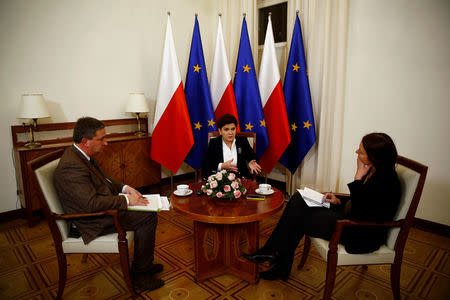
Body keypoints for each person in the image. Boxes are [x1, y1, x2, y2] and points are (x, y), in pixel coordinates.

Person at [243, 132, 401, 281]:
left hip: (360, 233)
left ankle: (276, 259)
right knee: (299, 198)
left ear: (374, 157)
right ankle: (274, 255)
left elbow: (363, 213)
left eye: (361, 152)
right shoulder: (374, 169)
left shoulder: (387, 182)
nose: (356, 153)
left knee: (298, 217)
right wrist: (338, 201)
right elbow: (364, 203)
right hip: (353, 219)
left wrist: (357, 178)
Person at [53, 117, 164, 291]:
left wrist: (126, 188)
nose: (106, 143)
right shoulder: (71, 166)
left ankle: (145, 266)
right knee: (147, 217)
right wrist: (126, 200)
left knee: (146, 212)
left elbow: (104, 179)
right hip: (90, 220)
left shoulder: (81, 155)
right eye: (101, 139)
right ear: (85, 141)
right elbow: (90, 204)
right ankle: (140, 274)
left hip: (102, 208)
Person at [202, 114, 262, 178]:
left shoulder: (242, 141)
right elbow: (206, 165)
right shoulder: (214, 143)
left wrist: (251, 161)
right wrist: (221, 166)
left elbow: (252, 156)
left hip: (240, 179)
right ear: (220, 131)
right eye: (226, 129)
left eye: (233, 129)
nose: (230, 133)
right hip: (220, 181)